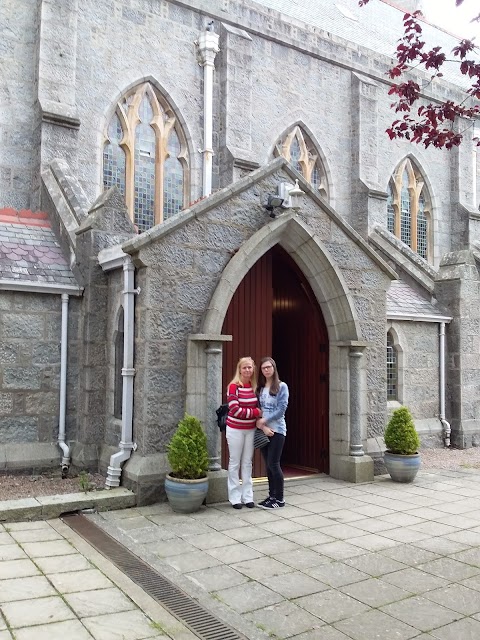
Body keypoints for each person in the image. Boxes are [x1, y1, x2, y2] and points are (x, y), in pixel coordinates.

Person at [226, 357, 262, 509]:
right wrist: (255, 412)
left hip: (250, 430)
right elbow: (235, 410)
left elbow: (256, 407)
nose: (247, 370)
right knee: (234, 462)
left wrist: (254, 413)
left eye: (250, 367)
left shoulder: (254, 387)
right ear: (239, 369)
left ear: (253, 369)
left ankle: (248, 497)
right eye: (244, 367)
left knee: (247, 463)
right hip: (235, 429)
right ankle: (235, 498)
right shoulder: (233, 387)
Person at [256, 357, 289, 509]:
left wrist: (265, 420)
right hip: (264, 431)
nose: (267, 370)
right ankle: (271, 496)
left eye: (269, 367)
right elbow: (258, 409)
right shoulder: (261, 388)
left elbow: (281, 409)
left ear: (274, 368)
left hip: (277, 431)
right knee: (268, 466)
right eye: (264, 368)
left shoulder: (282, 387)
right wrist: (262, 427)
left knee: (274, 464)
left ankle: (280, 499)